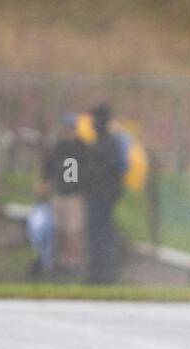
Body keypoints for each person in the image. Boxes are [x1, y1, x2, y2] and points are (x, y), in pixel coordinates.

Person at [79, 103, 125, 284]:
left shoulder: (109, 144)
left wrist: (107, 193)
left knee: (102, 235)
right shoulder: (95, 144)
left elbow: (111, 172)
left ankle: (105, 274)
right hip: (95, 196)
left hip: (103, 198)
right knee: (95, 235)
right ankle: (96, 273)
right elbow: (76, 169)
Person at [38, 113, 86, 276]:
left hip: (75, 195)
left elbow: (87, 171)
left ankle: (74, 262)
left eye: (71, 128)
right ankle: (57, 261)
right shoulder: (57, 147)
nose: (69, 132)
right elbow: (48, 166)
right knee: (58, 229)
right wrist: (45, 182)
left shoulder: (81, 148)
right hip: (59, 193)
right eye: (67, 128)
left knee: (73, 230)